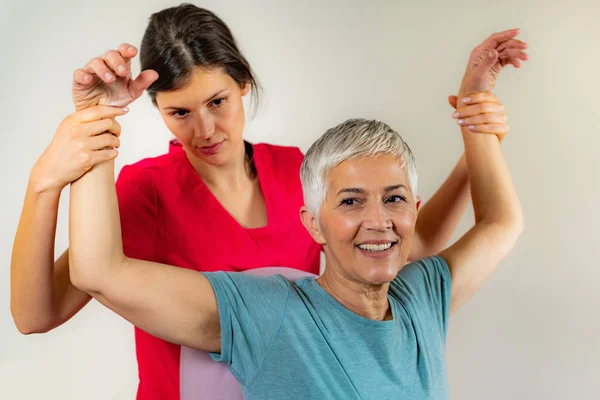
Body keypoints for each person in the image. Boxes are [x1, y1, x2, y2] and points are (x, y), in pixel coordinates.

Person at [10, 3, 528, 399]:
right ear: (157, 109)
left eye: (218, 102)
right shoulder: (146, 192)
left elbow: (403, 245)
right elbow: (38, 312)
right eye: (179, 113)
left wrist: (476, 144)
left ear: (244, 84)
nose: (206, 130)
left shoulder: (293, 169)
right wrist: (45, 182)